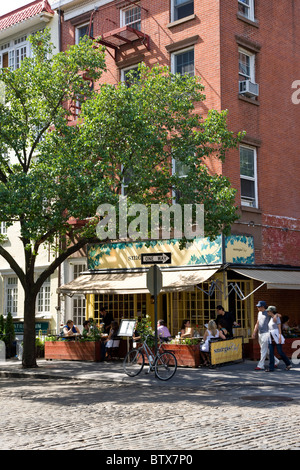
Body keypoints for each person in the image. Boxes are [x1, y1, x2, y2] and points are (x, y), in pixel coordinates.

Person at [252, 300, 279, 371]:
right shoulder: (259, 313)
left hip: (266, 333)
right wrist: (254, 332)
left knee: (263, 350)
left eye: (259, 306)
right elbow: (257, 323)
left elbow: (278, 315)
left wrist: (275, 315)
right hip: (260, 333)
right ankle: (276, 361)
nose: (257, 307)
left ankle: (261, 365)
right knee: (266, 350)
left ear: (263, 307)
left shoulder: (268, 312)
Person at [266, 306, 292, 372]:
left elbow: (279, 328)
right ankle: (271, 367)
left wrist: (280, 337)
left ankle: (288, 363)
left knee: (280, 352)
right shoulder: (270, 318)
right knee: (271, 353)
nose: (267, 312)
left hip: (276, 336)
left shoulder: (276, 318)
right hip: (270, 336)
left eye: (268, 311)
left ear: (271, 311)